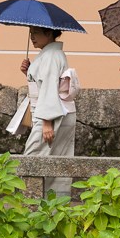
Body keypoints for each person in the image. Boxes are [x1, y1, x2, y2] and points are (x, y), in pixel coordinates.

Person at [20, 26, 78, 196]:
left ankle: (32, 203)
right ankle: (55, 204)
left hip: (50, 115)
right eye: (31, 33)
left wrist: (46, 122)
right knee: (58, 160)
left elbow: (49, 87)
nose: (32, 37)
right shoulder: (51, 54)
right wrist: (29, 71)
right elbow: (42, 83)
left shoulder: (51, 55)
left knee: (33, 158)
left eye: (36, 33)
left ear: (49, 33)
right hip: (56, 112)